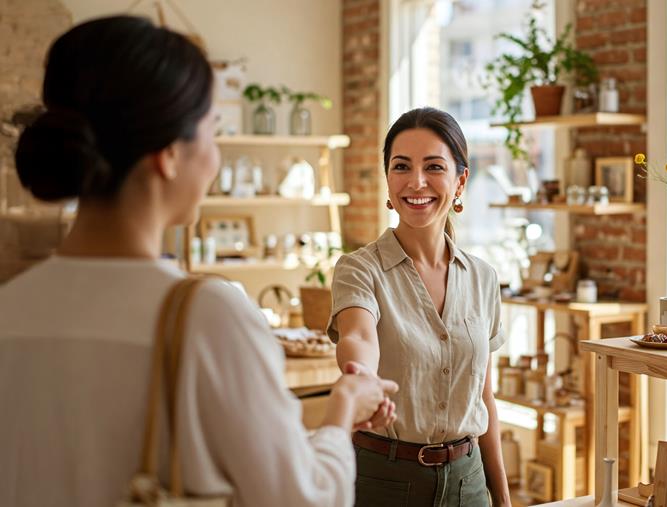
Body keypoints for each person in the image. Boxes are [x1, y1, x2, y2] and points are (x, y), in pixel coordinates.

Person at [0, 16, 397, 507]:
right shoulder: (207, 315)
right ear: (168, 154)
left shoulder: (11, 307)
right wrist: (342, 412)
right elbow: (301, 499)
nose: (215, 160)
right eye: (212, 132)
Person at [328, 107, 511, 507]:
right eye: (401, 167)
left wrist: (503, 499)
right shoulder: (359, 269)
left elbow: (484, 400)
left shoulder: (482, 277)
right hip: (384, 481)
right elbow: (359, 336)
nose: (416, 182)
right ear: (388, 180)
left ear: (460, 180)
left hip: (470, 482)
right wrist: (360, 375)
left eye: (433, 166)